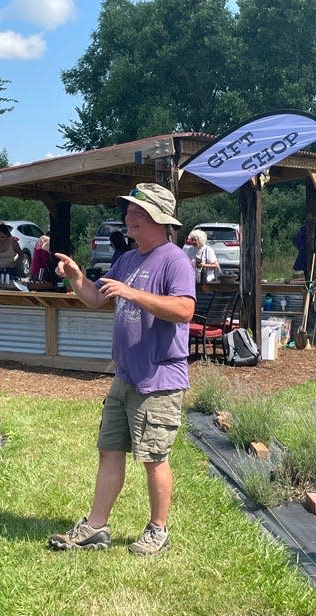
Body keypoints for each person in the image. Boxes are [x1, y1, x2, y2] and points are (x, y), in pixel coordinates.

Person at [49, 182, 196, 556]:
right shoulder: (127, 260)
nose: (129, 216)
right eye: (129, 211)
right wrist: (75, 277)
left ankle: (157, 531)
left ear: (159, 219)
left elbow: (184, 310)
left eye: (137, 211)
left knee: (152, 457)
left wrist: (133, 294)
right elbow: (97, 298)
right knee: (109, 450)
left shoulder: (174, 259)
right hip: (125, 376)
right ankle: (96, 527)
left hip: (158, 379)